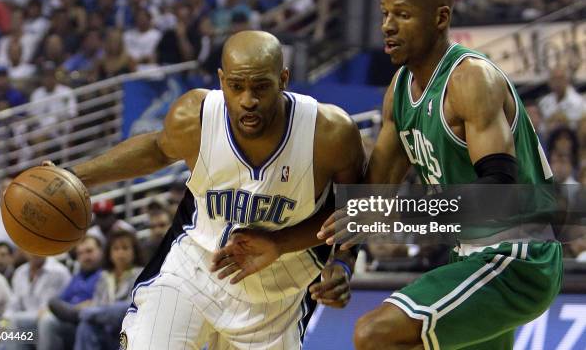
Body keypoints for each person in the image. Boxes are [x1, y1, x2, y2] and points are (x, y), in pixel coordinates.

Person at [45, 30, 364, 348]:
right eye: (236, 87)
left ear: (283, 79)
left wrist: (342, 262)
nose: (248, 100)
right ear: (221, 80)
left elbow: (356, 208)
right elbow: (157, 149)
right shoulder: (196, 116)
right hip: (191, 273)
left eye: (261, 87)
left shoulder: (329, 132)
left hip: (278, 296)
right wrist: (72, 175)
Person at [319, 0, 562, 350]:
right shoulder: (398, 92)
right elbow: (370, 195)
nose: (387, 25)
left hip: (517, 255)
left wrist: (396, 213)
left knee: (374, 334)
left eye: (402, 13)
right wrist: (343, 262)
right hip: (468, 254)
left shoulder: (470, 79)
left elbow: (498, 194)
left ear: (440, 17)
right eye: (384, 13)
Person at [37, 236, 104, 350]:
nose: (85, 257)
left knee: (48, 322)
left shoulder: (104, 275)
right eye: (80, 254)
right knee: (18, 321)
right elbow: (62, 299)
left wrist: (77, 308)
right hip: (68, 320)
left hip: (86, 325)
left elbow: (98, 304)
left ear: (101, 251)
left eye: (89, 251)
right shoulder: (77, 277)